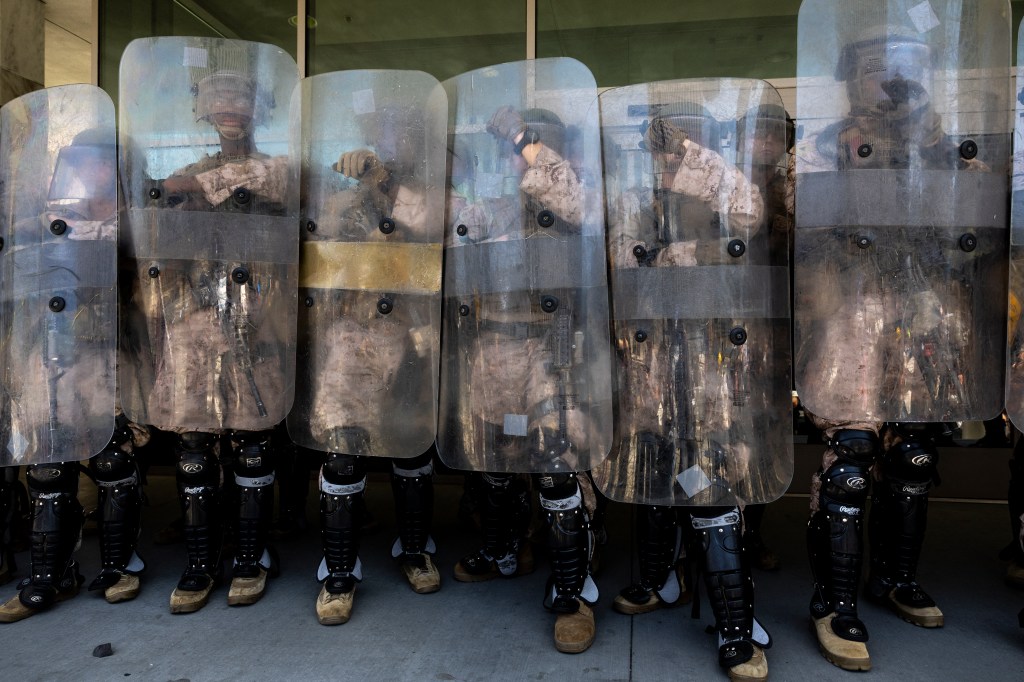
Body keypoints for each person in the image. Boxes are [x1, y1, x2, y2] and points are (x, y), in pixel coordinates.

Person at [794, 4, 1010, 670]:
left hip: (923, 321)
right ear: (850, 79)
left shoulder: (948, 150)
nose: (891, 82)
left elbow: (983, 233)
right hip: (853, 316)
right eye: (873, 71)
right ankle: (835, 601)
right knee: (852, 461)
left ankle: (895, 578)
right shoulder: (826, 146)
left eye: (907, 70)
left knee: (913, 456)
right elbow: (791, 223)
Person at [595, 83, 792, 682]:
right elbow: (623, 256)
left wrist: (691, 167)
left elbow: (751, 214)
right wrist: (695, 252)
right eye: (657, 143)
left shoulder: (726, 186)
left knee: (713, 473)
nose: (664, 153)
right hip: (655, 353)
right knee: (657, 459)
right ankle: (661, 577)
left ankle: (735, 623)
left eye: (675, 140)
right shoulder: (635, 197)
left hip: (717, 357)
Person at [118, 37, 299, 614]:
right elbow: (161, 241)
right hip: (199, 326)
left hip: (258, 322)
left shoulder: (277, 170)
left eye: (239, 97)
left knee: (252, 443)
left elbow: (262, 180)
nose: (228, 106)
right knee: (195, 445)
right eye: (217, 96)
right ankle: (201, 561)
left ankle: (250, 557)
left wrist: (188, 192)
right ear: (201, 107)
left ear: (257, 109)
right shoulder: (186, 173)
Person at [439, 58, 613, 654]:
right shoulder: (500, 200)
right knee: (495, 459)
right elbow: (460, 231)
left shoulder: (575, 192)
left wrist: (525, 141)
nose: (523, 159)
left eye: (535, 147)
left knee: (558, 462)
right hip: (493, 350)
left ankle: (573, 590)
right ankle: (503, 548)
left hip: (553, 350)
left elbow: (580, 204)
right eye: (519, 151)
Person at [285, 71, 446, 625]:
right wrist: (349, 190)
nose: (390, 136)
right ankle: (338, 569)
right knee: (343, 446)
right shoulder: (344, 193)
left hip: (411, 335)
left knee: (411, 445)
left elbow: (431, 224)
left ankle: (415, 547)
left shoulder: (426, 185)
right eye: (381, 128)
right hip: (350, 337)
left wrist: (382, 182)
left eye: (400, 127)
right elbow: (316, 241)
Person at [0, 86, 149, 622]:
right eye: (83, 163)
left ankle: (119, 563)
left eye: (103, 164)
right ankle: (48, 575)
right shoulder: (46, 217)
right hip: (54, 352)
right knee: (48, 463)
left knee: (112, 460)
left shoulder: (139, 220)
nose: (93, 174)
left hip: (114, 353)